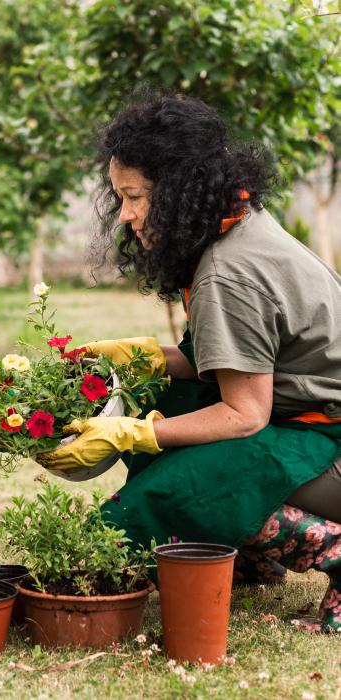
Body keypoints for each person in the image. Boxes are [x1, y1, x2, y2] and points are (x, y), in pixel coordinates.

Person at [38, 94, 341, 632]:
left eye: (134, 197)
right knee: (164, 396)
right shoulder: (241, 220)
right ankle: (251, 559)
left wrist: (131, 434)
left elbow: (244, 414)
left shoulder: (229, 271)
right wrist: (144, 357)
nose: (125, 215)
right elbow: (232, 364)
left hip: (329, 442)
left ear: (179, 192)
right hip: (304, 417)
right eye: (120, 197)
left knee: (188, 486)